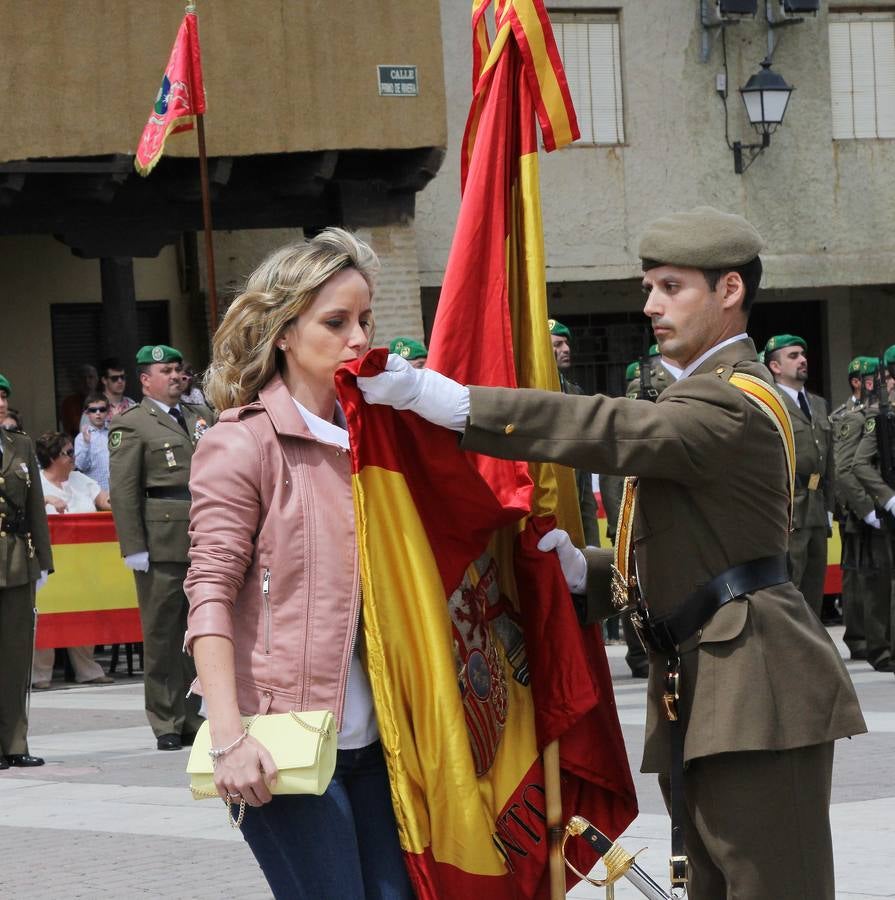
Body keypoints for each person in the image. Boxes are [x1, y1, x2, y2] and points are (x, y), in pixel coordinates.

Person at [358, 206, 866, 900]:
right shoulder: (702, 397)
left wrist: (451, 402)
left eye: (670, 287)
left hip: (755, 688)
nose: (650, 305)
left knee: (773, 886)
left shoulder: (733, 401)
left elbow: (615, 427)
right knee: (717, 886)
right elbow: (701, 545)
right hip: (711, 678)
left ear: (728, 292)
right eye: (647, 286)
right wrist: (588, 571)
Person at [184, 229, 413, 900]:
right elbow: (209, 593)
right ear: (283, 331)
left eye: (365, 319)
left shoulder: (379, 437)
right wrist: (229, 738)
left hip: (385, 739)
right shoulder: (241, 440)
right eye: (335, 321)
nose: (357, 337)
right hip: (279, 739)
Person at [108, 345, 213, 751]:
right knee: (162, 633)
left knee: (197, 631)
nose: (174, 376)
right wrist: (133, 545)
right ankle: (165, 719)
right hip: (161, 540)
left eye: (177, 369)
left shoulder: (199, 417)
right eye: (164, 370)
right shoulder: (133, 423)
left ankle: (192, 715)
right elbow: (124, 489)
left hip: (202, 535)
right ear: (145, 379)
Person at [31, 431, 113, 689]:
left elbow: (104, 500)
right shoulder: (36, 484)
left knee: (83, 614)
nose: (73, 457)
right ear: (53, 458)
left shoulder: (80, 479)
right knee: (45, 616)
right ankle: (39, 674)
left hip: (82, 564)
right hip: (50, 565)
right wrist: (45, 499)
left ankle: (87, 669)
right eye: (68, 452)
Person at [0, 374, 53, 767]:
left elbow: (35, 506)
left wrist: (45, 561)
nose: (1, 404)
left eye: (4, 396)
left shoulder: (20, 444)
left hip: (17, 559)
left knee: (16, 657)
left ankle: (15, 742)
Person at [765, 334, 835, 619]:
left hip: (816, 507)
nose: (803, 360)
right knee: (790, 585)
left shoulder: (818, 404)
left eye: (803, 355)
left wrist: (830, 506)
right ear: (775, 366)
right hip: (790, 506)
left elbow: (829, 460)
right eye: (793, 356)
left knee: (814, 585)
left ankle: (814, 654)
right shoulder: (771, 401)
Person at [849, 346, 895, 673]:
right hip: (883, 510)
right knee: (876, 582)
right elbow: (854, 465)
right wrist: (885, 500)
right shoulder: (882, 416)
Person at [830, 356, 878, 663]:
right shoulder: (848, 416)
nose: (877, 383)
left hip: (870, 502)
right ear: (856, 382)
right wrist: (865, 507)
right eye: (871, 378)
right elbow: (843, 467)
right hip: (857, 507)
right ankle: (860, 637)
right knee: (858, 574)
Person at [548, 318, 600, 546]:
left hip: (575, 517)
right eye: (557, 345)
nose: (566, 350)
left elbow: (584, 473)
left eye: (566, 344)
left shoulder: (574, 393)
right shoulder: (527, 392)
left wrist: (591, 539)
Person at [74, 393, 111, 491]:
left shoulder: (114, 432)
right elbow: (80, 467)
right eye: (93, 410)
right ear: (87, 413)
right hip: (95, 493)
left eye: (102, 409)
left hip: (116, 490)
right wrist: (86, 444)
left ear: (107, 411)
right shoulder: (81, 438)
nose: (98, 413)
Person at [60, 363, 99, 438]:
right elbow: (68, 431)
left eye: (91, 377)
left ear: (97, 380)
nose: (87, 381)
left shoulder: (105, 401)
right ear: (78, 381)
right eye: (82, 378)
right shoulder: (69, 403)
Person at [98, 357, 137, 422]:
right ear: (104, 380)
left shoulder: (132, 405)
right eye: (114, 378)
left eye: (122, 377)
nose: (120, 381)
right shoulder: (93, 406)